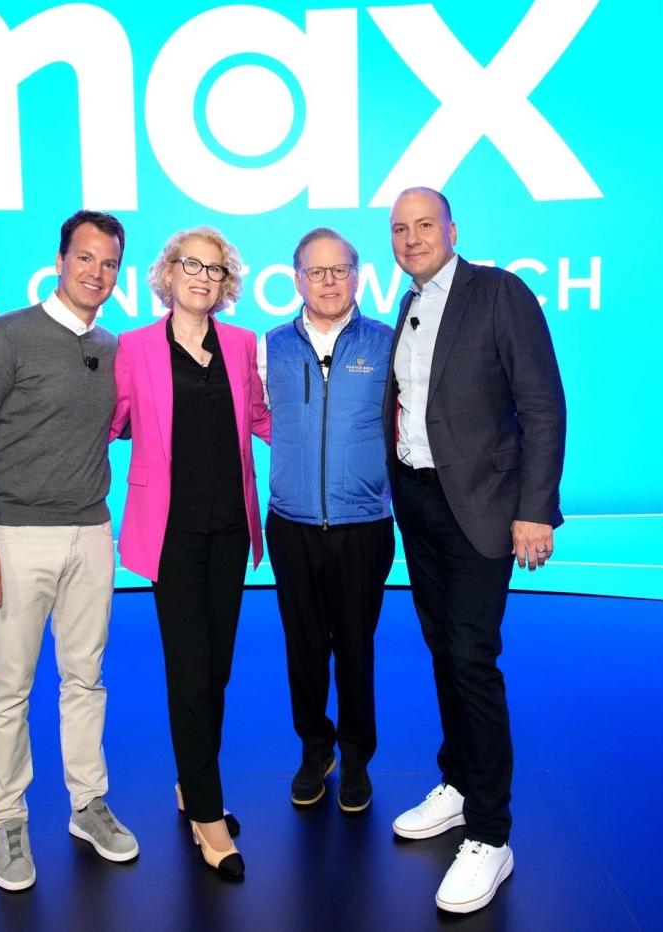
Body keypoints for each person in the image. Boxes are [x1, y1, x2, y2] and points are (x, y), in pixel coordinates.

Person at [381, 188, 566, 914]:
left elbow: (543, 405)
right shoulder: (410, 302)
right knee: (442, 648)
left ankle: (491, 833)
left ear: (452, 229)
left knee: (471, 657)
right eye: (400, 229)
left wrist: (535, 511)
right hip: (420, 504)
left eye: (425, 224)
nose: (412, 237)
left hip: (484, 509)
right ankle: (459, 784)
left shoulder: (499, 292)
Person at [0, 210, 139, 892]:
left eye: (109, 263)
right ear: (59, 261)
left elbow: (143, 424)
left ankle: (88, 804)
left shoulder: (115, 350)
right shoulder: (6, 338)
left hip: (91, 534)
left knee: (85, 680)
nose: (96, 273)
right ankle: (9, 823)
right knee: (9, 689)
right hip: (14, 537)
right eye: (85, 258)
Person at [110, 227, 269, 881]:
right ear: (167, 275)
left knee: (218, 668)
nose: (203, 276)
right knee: (189, 667)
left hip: (232, 528)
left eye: (215, 267)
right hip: (169, 533)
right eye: (190, 264)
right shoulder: (134, 348)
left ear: (226, 281)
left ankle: (189, 780)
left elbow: (263, 417)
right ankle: (207, 813)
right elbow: (109, 421)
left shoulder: (241, 344)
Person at [257, 228, 395, 812]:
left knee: (356, 646)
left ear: (357, 276)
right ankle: (316, 750)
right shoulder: (267, 347)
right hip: (291, 523)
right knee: (304, 646)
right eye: (317, 272)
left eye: (339, 270)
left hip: (364, 524)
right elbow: (255, 418)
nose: (329, 282)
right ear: (298, 281)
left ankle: (358, 755)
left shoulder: (388, 345)